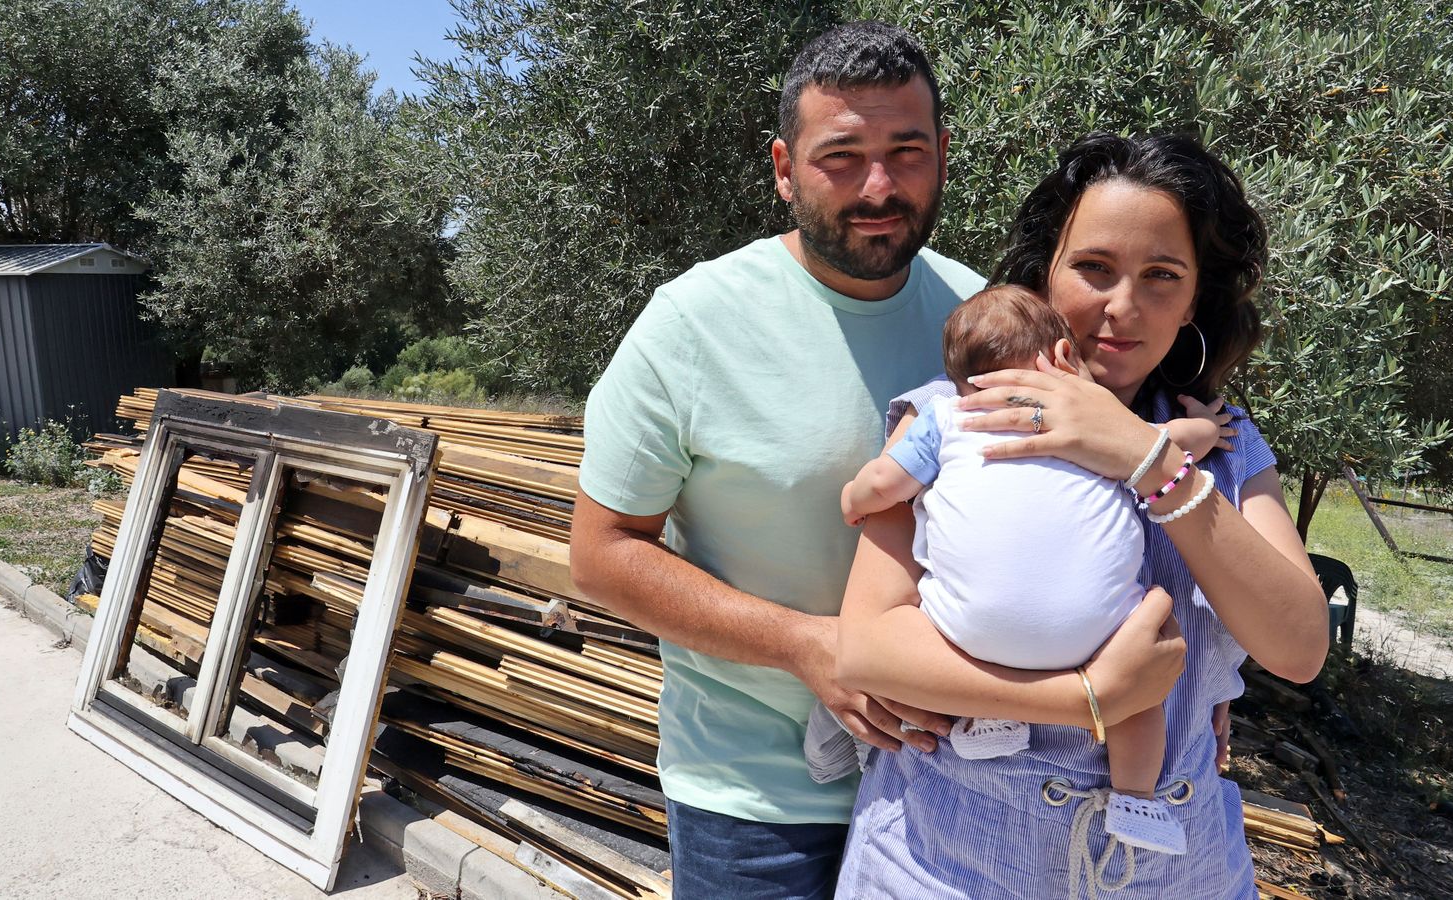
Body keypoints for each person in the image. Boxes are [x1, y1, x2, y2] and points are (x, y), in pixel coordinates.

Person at [570, 21, 1108, 897]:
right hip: (757, 807)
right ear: (784, 167)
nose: (879, 186)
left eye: (906, 151)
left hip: (961, 796)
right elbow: (601, 554)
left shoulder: (990, 318)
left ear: (941, 154)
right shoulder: (690, 325)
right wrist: (811, 646)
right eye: (842, 156)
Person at [834, 132, 1329, 899]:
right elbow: (868, 651)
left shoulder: (1226, 448)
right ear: (1044, 274)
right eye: (1093, 268)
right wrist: (1093, 697)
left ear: (1195, 298)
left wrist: (1143, 456)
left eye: (1162, 275)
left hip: (1179, 873)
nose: (1122, 306)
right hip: (942, 865)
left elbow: (1298, 649)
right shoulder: (959, 415)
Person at [807, 285, 1231, 861]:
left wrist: (852, 497)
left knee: (948, 611)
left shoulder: (944, 416)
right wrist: (1208, 425)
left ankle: (986, 718)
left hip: (969, 634)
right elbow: (1182, 444)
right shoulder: (1104, 424)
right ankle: (1137, 801)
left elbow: (885, 484)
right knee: (1140, 703)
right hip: (1101, 635)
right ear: (1062, 357)